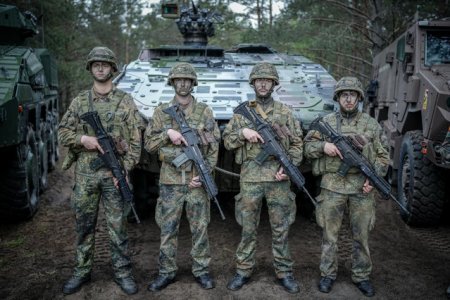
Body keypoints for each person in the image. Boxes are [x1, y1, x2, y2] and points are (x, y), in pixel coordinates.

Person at [58, 47, 142, 295]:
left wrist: (124, 170)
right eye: (96, 64)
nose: (101, 68)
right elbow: (63, 132)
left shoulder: (125, 101)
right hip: (86, 175)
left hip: (114, 176)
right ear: (91, 68)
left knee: (118, 226)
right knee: (84, 225)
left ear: (113, 69)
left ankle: (123, 272)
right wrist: (83, 138)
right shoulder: (80, 101)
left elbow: (136, 142)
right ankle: (82, 271)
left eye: (105, 64)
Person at [304, 76, 389, 297]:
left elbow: (383, 156)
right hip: (332, 186)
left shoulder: (371, 125)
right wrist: (325, 146)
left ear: (359, 98)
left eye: (352, 95)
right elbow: (308, 148)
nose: (349, 99)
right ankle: (327, 274)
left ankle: (361, 275)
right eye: (344, 95)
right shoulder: (327, 122)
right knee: (329, 236)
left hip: (362, 189)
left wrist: (374, 178)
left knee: (361, 236)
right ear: (338, 98)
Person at [222, 62, 303, 294]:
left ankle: (284, 272)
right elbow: (227, 141)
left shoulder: (285, 112)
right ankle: (243, 270)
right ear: (253, 83)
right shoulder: (242, 113)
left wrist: (289, 168)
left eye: (267, 80)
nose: (263, 83)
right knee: (248, 228)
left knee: (281, 227)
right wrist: (243, 133)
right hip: (251, 178)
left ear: (274, 84)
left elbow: (297, 143)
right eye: (259, 80)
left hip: (279, 179)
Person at [145, 62, 220, 292]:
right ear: (173, 82)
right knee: (168, 229)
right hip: (171, 182)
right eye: (179, 80)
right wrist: (168, 133)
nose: (183, 83)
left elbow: (214, 145)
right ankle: (166, 272)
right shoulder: (161, 112)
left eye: (187, 80)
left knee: (200, 228)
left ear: (193, 83)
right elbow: (149, 144)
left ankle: (201, 271)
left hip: (196, 181)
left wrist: (204, 174)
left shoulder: (204, 111)